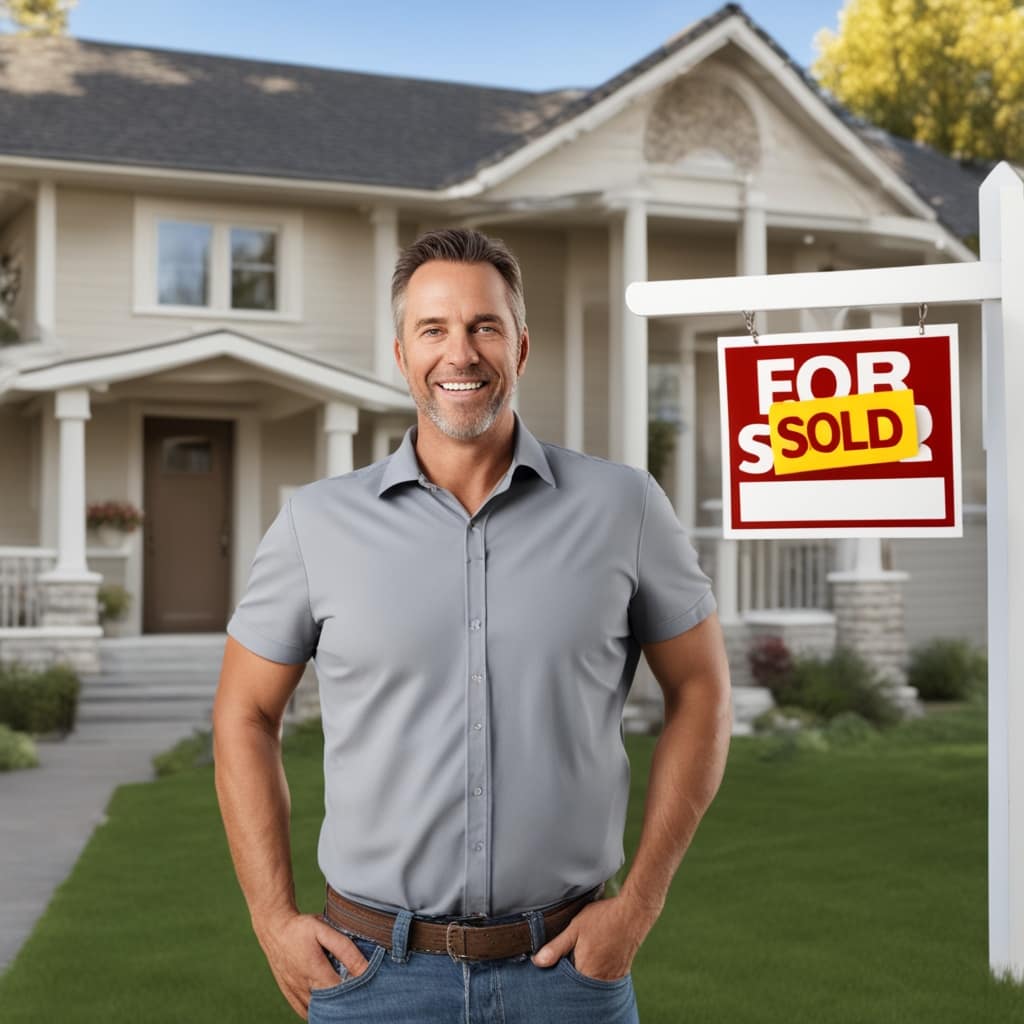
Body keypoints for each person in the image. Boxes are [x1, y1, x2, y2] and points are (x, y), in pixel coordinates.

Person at [213, 228, 732, 1023]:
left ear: (521, 347)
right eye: (434, 330)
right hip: (372, 976)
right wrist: (271, 917)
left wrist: (640, 905)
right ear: (401, 353)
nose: (461, 353)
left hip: (569, 975)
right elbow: (244, 714)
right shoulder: (315, 525)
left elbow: (701, 689)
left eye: (484, 326)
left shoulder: (624, 508)